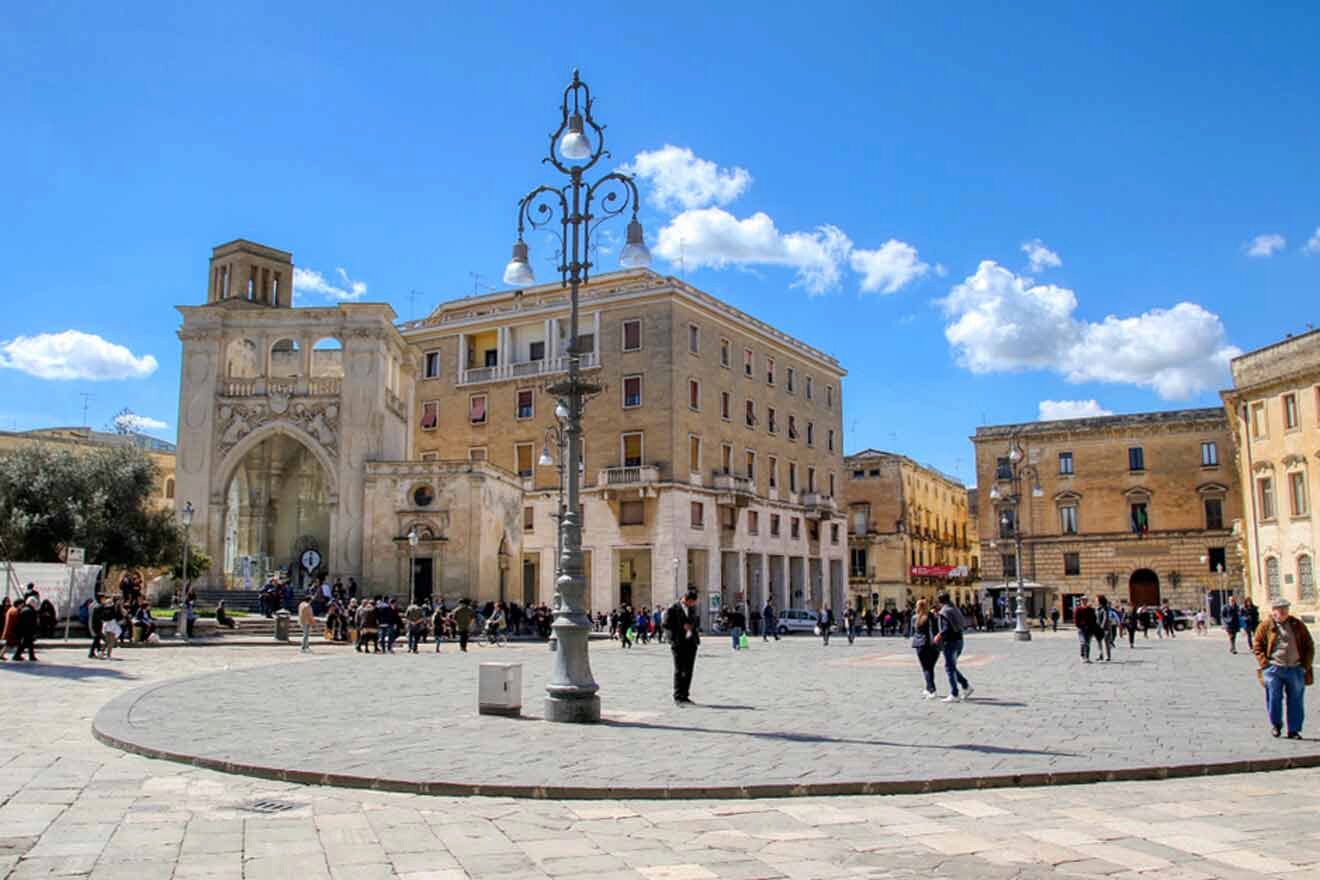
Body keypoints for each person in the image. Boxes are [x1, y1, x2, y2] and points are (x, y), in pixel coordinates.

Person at [1252, 597, 1314, 739]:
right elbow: (1257, 646)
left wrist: (1305, 666)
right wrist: (1265, 665)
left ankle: (1294, 730)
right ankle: (1276, 725)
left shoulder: (1297, 625)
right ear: (1273, 611)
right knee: (1274, 698)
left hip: (1295, 668)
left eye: (1285, 609)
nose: (1284, 612)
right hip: (1274, 669)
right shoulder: (1265, 626)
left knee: (1296, 700)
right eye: (1280, 609)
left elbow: (1309, 645)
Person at [663, 589, 701, 705]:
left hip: (691, 642)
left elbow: (696, 621)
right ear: (686, 599)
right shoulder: (673, 608)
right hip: (679, 643)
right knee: (679, 670)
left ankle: (685, 694)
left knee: (689, 670)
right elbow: (665, 624)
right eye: (692, 602)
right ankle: (678, 695)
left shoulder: (692, 608)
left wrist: (692, 626)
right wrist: (681, 627)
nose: (693, 605)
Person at [933, 591, 971, 702]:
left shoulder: (944, 611)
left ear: (940, 601)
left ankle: (955, 694)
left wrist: (938, 636)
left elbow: (946, 629)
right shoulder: (955, 608)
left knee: (950, 668)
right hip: (959, 640)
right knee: (951, 666)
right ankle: (965, 686)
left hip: (950, 642)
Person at [911, 598, 941, 699]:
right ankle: (928, 688)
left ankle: (932, 690)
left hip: (920, 645)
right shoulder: (931, 616)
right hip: (932, 645)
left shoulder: (914, 618)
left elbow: (912, 632)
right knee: (930, 668)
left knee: (926, 669)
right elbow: (936, 629)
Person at [1074, 597, 1098, 663]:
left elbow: (1094, 619)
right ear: (1081, 601)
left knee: (1088, 643)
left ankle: (1087, 657)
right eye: (1083, 600)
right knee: (1083, 642)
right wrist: (1079, 626)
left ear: (1087, 601)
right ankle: (1082, 656)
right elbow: (1076, 619)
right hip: (1081, 629)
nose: (1084, 601)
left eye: (1085, 600)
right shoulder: (1078, 609)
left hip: (1089, 629)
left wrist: (1094, 627)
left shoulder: (1090, 609)